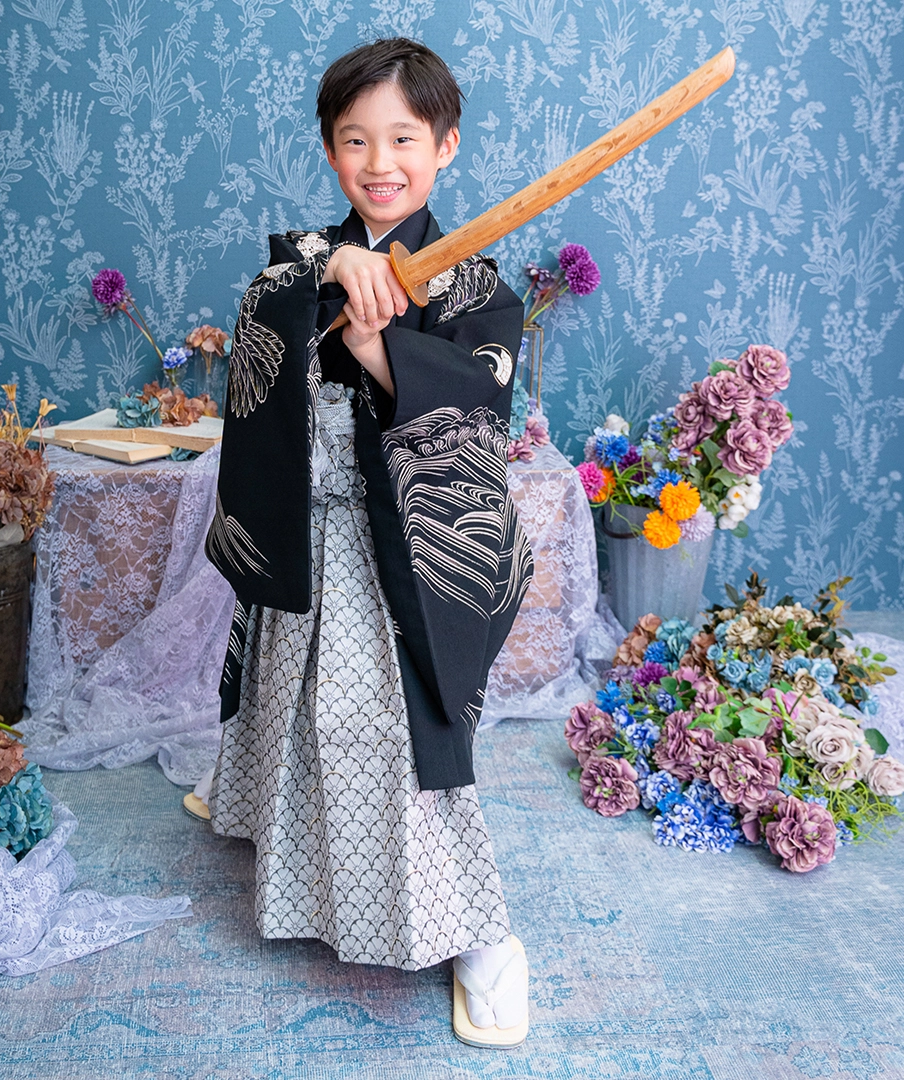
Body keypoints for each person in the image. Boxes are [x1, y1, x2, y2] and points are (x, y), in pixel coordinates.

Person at [190, 37, 534, 1049]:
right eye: (354, 140)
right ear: (330, 149)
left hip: (405, 549)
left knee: (393, 733)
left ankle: (484, 942)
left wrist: (383, 346)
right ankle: (269, 824)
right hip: (308, 530)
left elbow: (480, 397)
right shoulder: (302, 259)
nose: (380, 163)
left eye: (404, 139)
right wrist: (332, 272)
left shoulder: (477, 288)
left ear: (446, 145)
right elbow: (265, 320)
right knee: (287, 696)